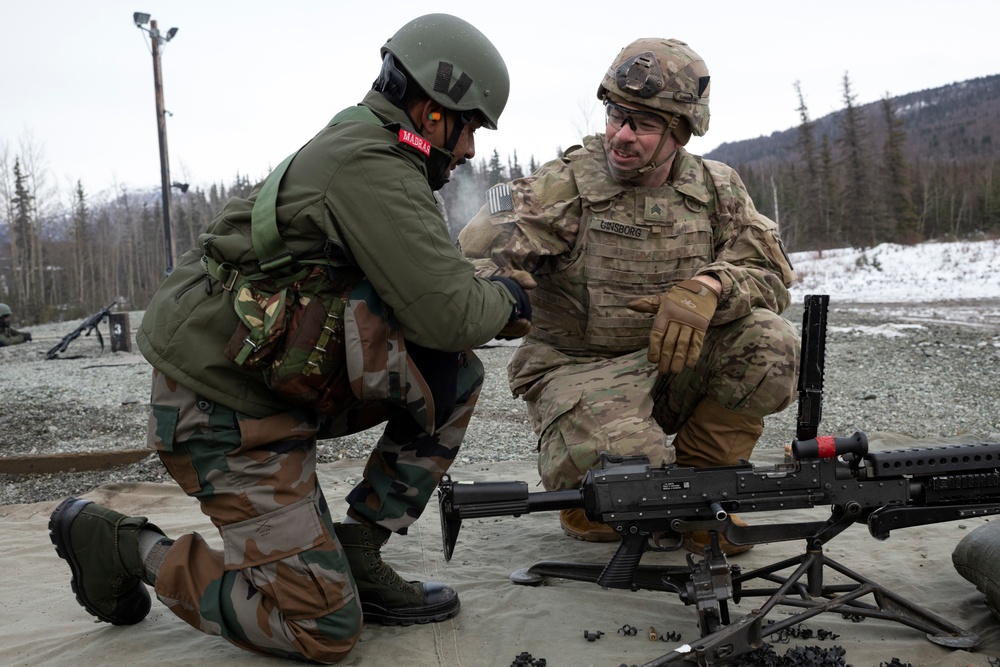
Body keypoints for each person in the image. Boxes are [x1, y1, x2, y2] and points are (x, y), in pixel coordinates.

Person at [48, 13, 532, 664]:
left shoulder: (369, 149)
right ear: (431, 109)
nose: (471, 149)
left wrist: (480, 299)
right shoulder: (376, 167)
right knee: (323, 629)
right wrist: (508, 298)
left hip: (273, 381)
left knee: (450, 374)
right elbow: (448, 310)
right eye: (470, 124)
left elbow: (431, 304)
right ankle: (124, 546)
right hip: (221, 414)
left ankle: (357, 554)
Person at [459, 38, 799, 555]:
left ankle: (704, 493)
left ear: (680, 132)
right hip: (576, 368)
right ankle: (594, 493)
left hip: (673, 366)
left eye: (642, 124)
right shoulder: (562, 186)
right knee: (627, 475)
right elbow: (470, 259)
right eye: (615, 115)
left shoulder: (716, 188)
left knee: (770, 343)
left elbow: (770, 272)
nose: (621, 135)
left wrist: (711, 287)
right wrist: (504, 291)